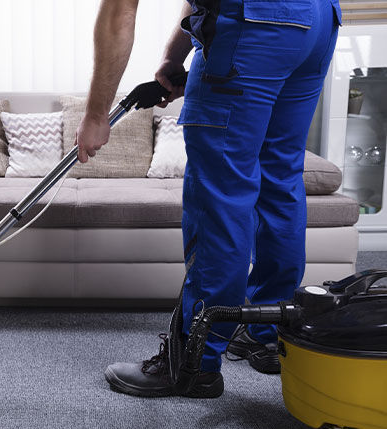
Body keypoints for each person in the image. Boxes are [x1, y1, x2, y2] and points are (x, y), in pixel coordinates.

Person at [76, 0, 341, 398]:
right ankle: (267, 333)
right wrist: (172, 57)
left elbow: (119, 11)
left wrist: (96, 114)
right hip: (317, 21)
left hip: (253, 26)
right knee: (280, 177)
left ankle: (194, 363)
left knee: (221, 194)